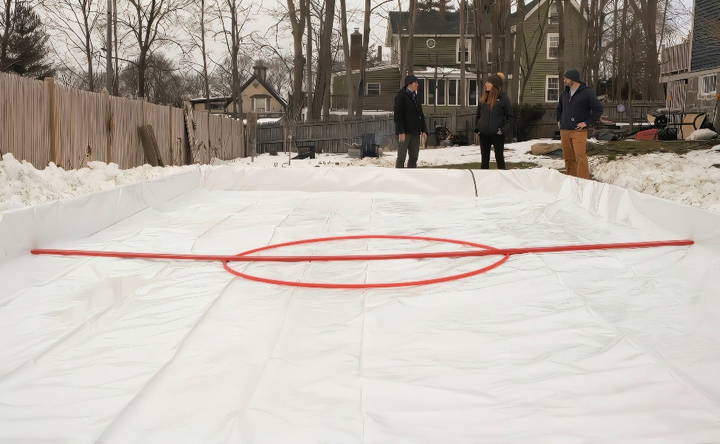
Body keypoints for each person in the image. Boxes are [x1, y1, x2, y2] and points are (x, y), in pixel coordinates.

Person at [556, 69, 603, 179]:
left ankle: (583, 181)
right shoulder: (564, 93)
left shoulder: (587, 93)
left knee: (580, 156)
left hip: (578, 131)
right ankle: (571, 180)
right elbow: (559, 108)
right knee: (568, 157)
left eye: (566, 78)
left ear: (573, 79)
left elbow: (598, 110)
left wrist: (586, 122)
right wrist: (559, 120)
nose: (564, 81)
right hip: (564, 130)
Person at [474, 73, 513, 170]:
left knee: (499, 159)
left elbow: (510, 117)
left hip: (497, 134)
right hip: (483, 134)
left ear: (495, 85)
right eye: (486, 82)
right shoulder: (484, 98)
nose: (486, 84)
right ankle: (483, 182)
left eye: (489, 83)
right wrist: (477, 128)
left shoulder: (504, 98)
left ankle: (503, 180)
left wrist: (502, 130)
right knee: (484, 160)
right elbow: (478, 115)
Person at [393, 75, 427, 168]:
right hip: (404, 133)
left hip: (415, 132)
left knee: (414, 157)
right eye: (415, 83)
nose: (417, 85)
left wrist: (424, 130)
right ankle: (398, 178)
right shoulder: (401, 96)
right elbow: (397, 116)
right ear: (409, 84)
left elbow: (421, 114)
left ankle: (411, 178)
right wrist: (401, 131)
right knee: (401, 157)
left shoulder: (416, 96)